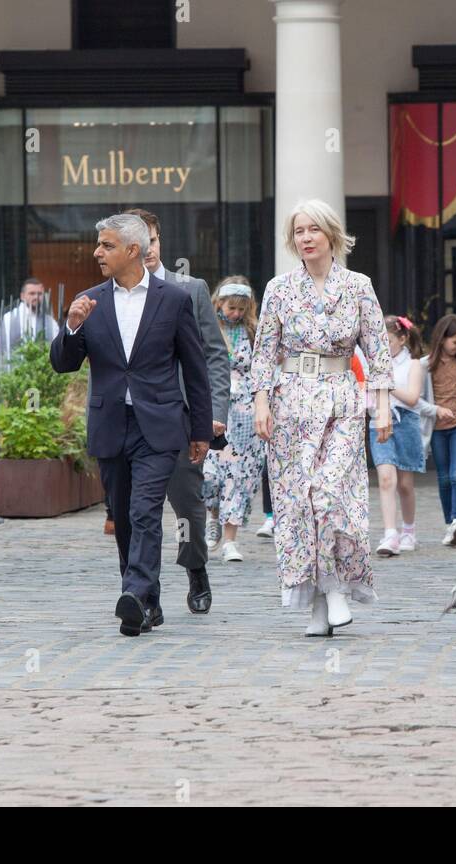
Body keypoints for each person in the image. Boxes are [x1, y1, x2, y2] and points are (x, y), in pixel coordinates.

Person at [50, 213, 213, 637]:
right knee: (122, 516)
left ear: (132, 251)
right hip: (110, 423)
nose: (96, 252)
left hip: (158, 424)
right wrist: (71, 327)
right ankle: (148, 601)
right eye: (99, 245)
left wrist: (200, 431)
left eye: (105, 245)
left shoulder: (173, 300)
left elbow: (196, 369)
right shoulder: (90, 301)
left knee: (144, 511)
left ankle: (136, 594)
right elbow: (63, 364)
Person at [250, 199, 394, 637]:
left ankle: (336, 590)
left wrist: (382, 404)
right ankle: (316, 603)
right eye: (298, 232)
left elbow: (378, 348)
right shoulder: (279, 289)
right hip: (290, 404)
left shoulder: (357, 286)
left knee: (329, 495)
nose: (306, 238)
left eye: (313, 229)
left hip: (341, 403)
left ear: (331, 234)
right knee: (296, 506)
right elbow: (264, 353)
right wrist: (260, 402)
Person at [114, 208, 231, 612]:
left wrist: (214, 412)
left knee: (186, 506)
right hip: (131, 421)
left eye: (153, 240)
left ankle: (195, 566)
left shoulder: (190, 289)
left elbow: (214, 356)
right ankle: (146, 592)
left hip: (181, 420)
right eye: (137, 242)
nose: (146, 249)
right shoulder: (113, 292)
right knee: (137, 511)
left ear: (160, 242)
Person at [203, 277, 264, 562]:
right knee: (211, 474)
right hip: (215, 407)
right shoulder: (208, 329)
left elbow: (263, 371)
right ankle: (212, 517)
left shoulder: (252, 331)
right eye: (231, 307)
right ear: (219, 303)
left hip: (245, 413)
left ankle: (230, 540)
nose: (236, 313)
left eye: (242, 308)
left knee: (239, 477)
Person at [371, 315, 427, 557]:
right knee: (386, 478)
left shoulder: (413, 365)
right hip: (378, 421)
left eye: (389, 340)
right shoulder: (374, 364)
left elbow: (413, 398)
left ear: (402, 339)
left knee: (405, 484)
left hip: (406, 422)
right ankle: (390, 533)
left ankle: (409, 530)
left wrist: (387, 384)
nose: (385, 346)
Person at [420, 313, 456, 546]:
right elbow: (417, 401)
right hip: (437, 429)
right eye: (455, 341)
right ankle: (450, 526)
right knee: (444, 478)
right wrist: (436, 410)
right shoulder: (425, 365)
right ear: (442, 338)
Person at [0, 278, 59, 371]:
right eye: (32, 293)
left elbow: (56, 350)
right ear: (22, 296)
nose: (36, 297)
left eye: (39, 294)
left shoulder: (51, 322)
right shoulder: (9, 319)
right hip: (15, 378)